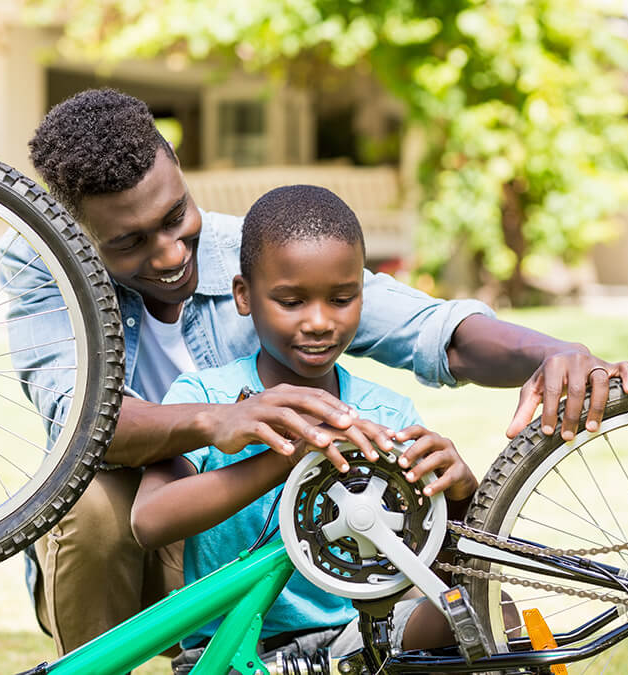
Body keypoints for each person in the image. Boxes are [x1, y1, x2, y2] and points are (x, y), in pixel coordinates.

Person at [0, 87, 628, 655]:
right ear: (76, 236)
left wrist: (554, 354)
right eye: (129, 243)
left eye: (175, 218)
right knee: (90, 505)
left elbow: (433, 331)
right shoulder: (43, 267)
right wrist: (228, 421)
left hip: (308, 579)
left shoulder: (258, 248)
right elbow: (82, 424)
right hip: (160, 536)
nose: (170, 254)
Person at [131, 184, 480, 662]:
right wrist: (288, 458)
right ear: (244, 296)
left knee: (485, 611)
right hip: (232, 649)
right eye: (291, 301)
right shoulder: (207, 398)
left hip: (357, 638)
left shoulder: (387, 415)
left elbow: (433, 563)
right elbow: (150, 521)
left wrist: (460, 496)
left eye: (341, 299)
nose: (319, 322)